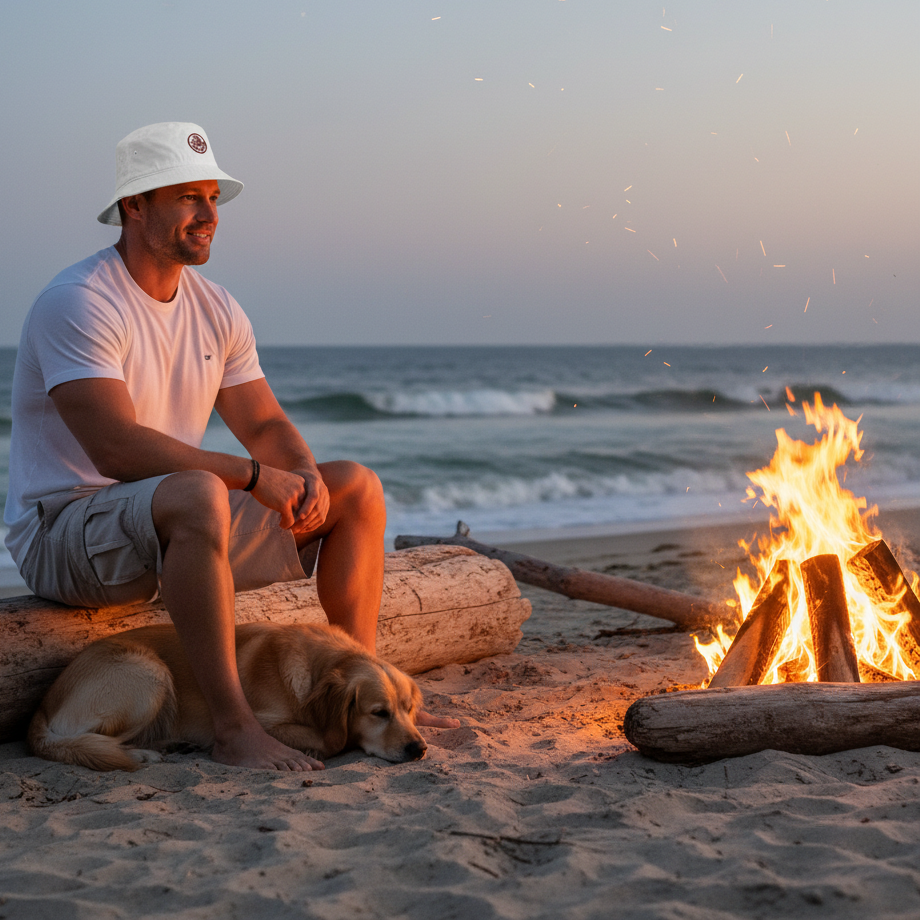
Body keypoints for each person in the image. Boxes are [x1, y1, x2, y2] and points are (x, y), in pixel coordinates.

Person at [4, 122, 454, 771]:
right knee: (200, 492)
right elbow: (116, 449)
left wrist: (298, 472)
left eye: (214, 197)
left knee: (354, 486)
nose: (210, 214)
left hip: (165, 524)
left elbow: (265, 425)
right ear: (134, 205)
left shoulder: (216, 309)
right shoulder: (77, 301)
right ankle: (232, 725)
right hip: (65, 534)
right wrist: (250, 476)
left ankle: (366, 692)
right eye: (188, 196)